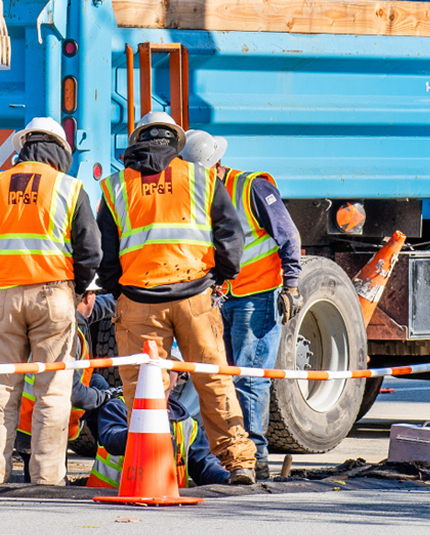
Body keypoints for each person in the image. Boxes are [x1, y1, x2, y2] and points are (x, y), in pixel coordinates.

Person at [96, 111, 258, 484]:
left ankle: (154, 466)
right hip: (195, 297)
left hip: (138, 300)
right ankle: (239, 462)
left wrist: (118, 288)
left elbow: (105, 252)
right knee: (213, 379)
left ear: (139, 139)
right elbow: (231, 235)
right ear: (176, 142)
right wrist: (220, 275)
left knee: (143, 390)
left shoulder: (115, 186)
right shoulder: (201, 178)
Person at [0, 117, 101, 486]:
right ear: (60, 152)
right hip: (54, 294)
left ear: (22, 148)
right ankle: (47, 478)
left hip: (4, 296)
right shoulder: (69, 188)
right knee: (53, 390)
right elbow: (90, 250)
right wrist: (76, 289)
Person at [182, 130, 302, 480]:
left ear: (216, 165)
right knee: (221, 378)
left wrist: (291, 285)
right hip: (223, 298)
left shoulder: (251, 188)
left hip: (257, 297)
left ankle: (255, 457)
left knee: (249, 379)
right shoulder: (197, 193)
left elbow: (287, 234)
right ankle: (228, 455)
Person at [15, 283, 118, 481]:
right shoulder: (70, 336)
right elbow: (75, 393)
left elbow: (98, 307)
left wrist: (127, 297)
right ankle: (109, 464)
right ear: (88, 298)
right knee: (46, 487)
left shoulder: (46, 317)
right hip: (44, 427)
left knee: (97, 381)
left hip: (26, 421)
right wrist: (104, 397)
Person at [87, 368, 230, 489]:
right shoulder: (118, 407)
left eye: (168, 369)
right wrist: (146, 432)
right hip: (111, 504)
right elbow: (112, 439)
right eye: (156, 368)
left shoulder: (186, 424)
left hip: (167, 510)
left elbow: (205, 465)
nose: (160, 373)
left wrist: (226, 479)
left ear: (176, 380)